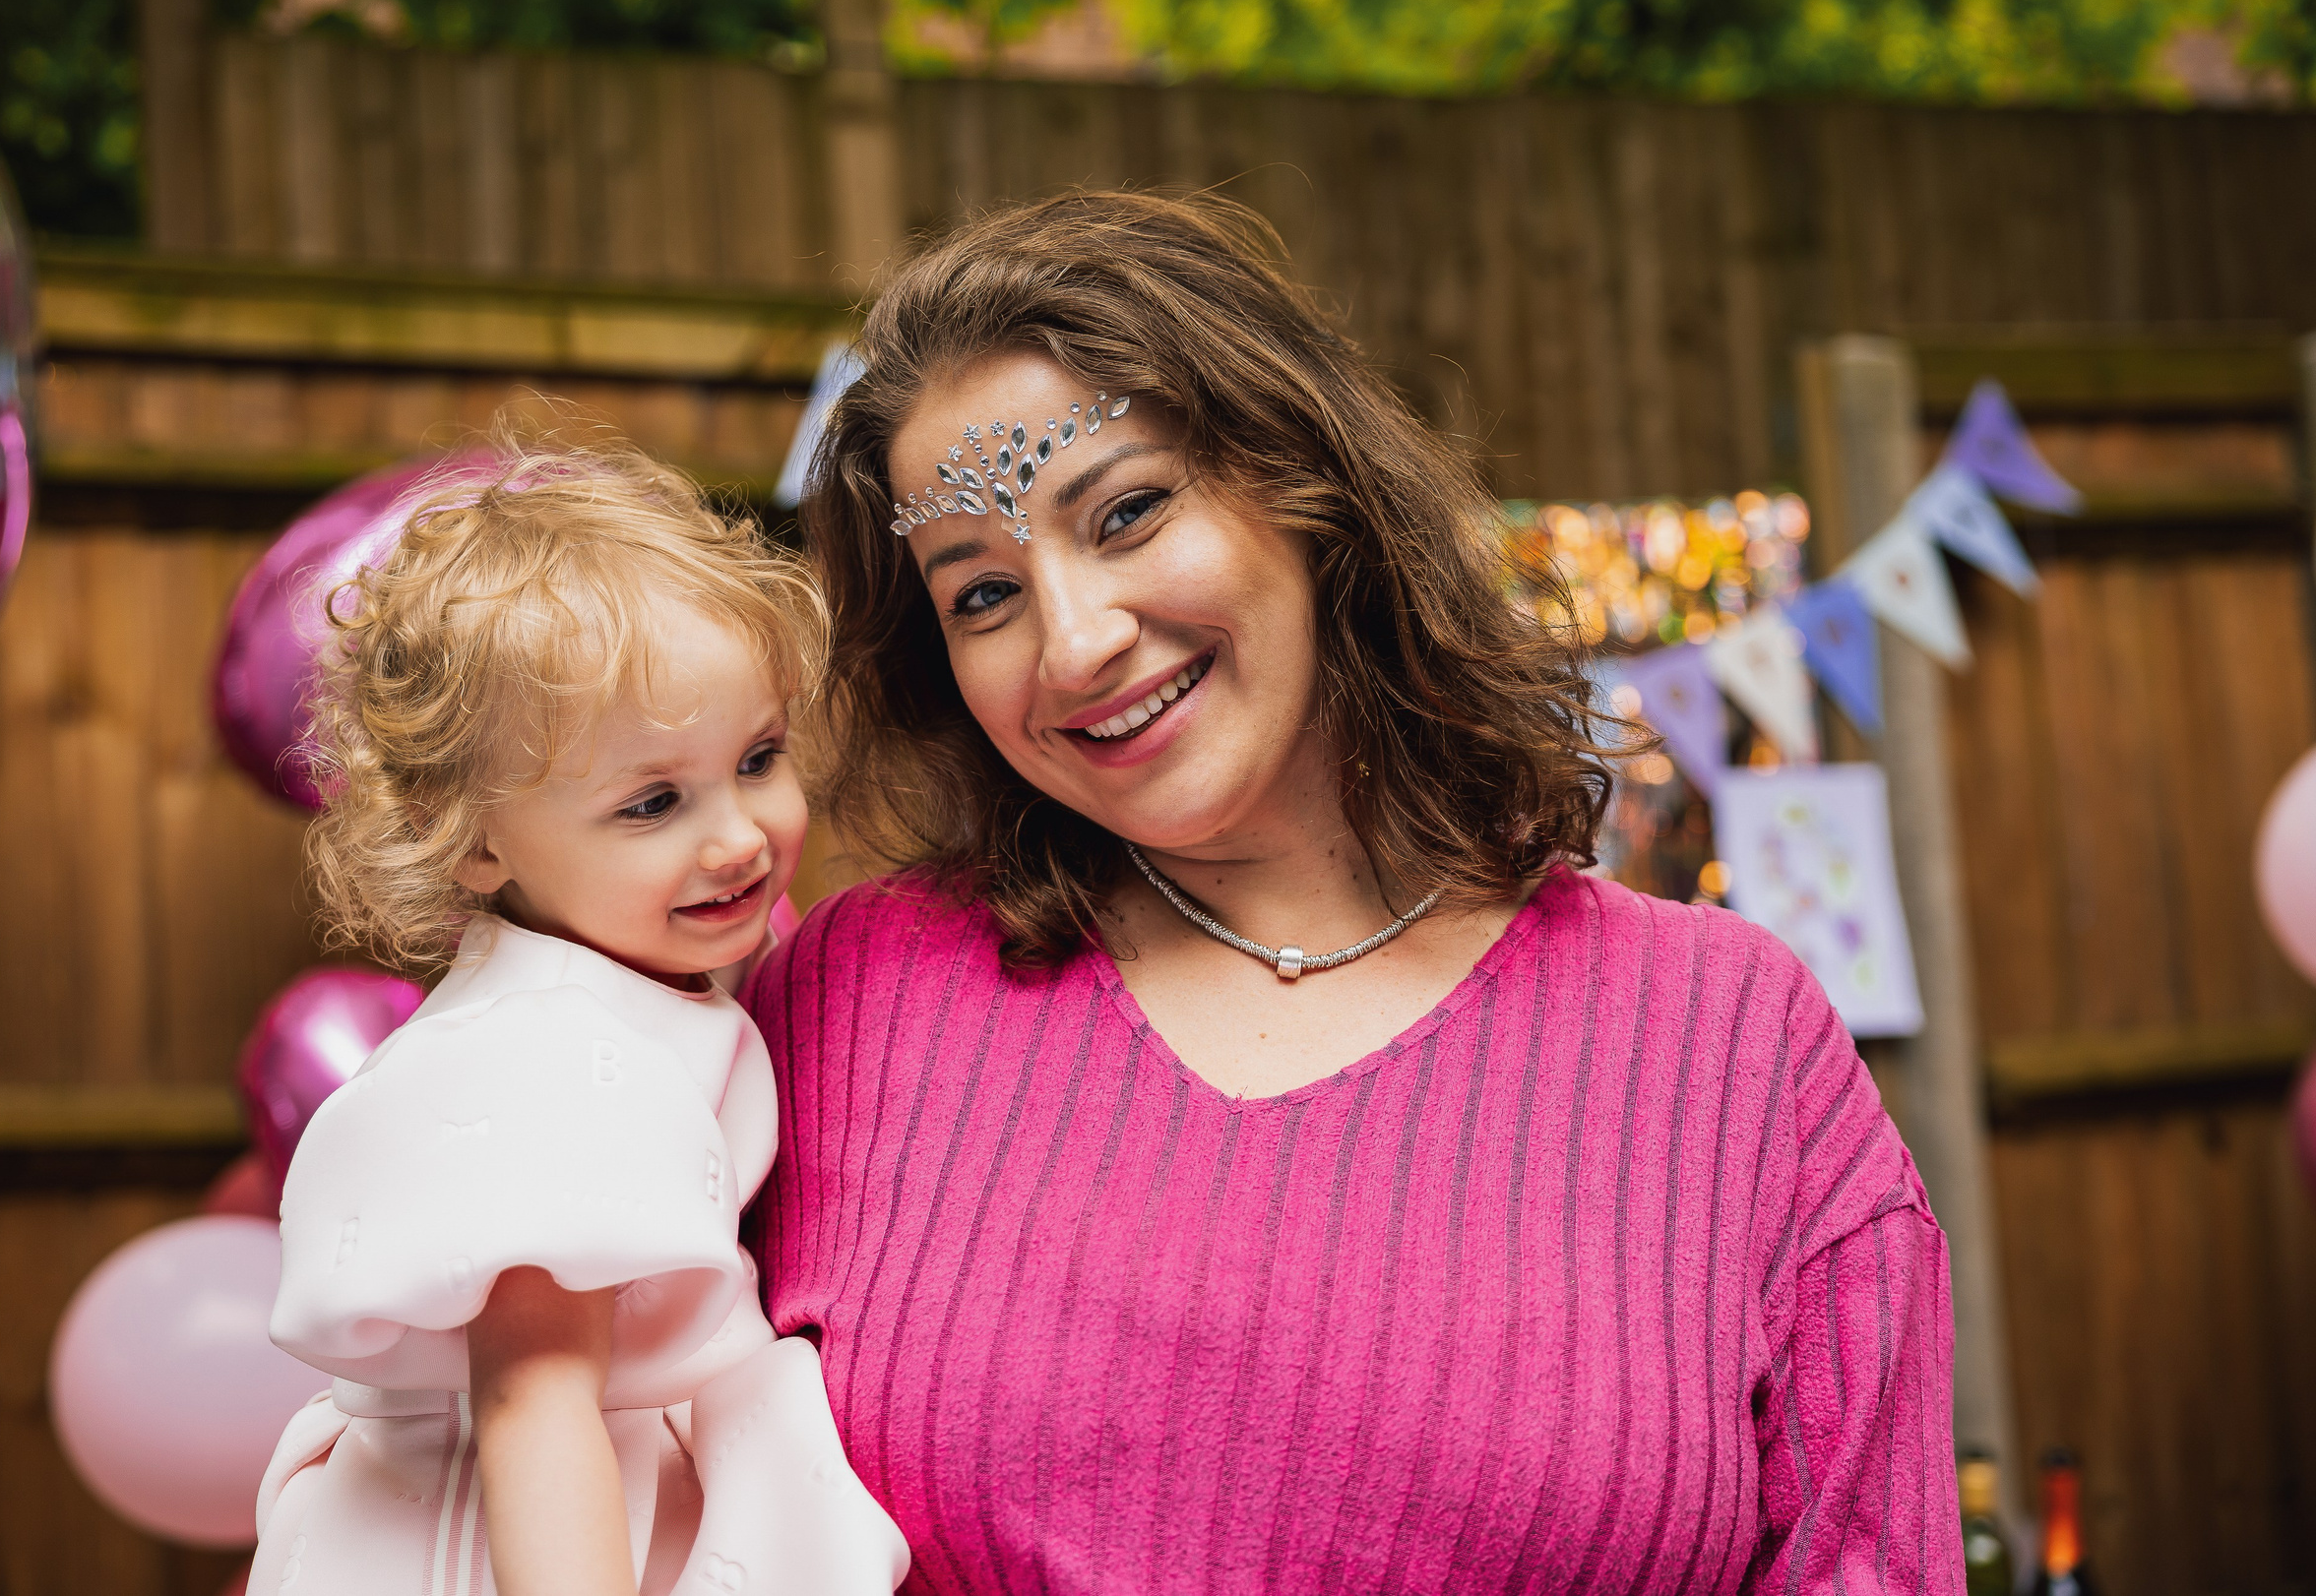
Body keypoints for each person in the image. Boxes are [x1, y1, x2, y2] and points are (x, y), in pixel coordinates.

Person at [745, 191, 1963, 1594]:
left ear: (1306, 487)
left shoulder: (1731, 1040)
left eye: (1127, 512)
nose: (1073, 643)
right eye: (980, 594)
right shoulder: (849, 999)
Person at [246, 450, 908, 1596]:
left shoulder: (628, 990)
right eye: (652, 803)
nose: (738, 837)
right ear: (473, 840)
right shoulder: (551, 1057)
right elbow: (534, 1402)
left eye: (758, 759)